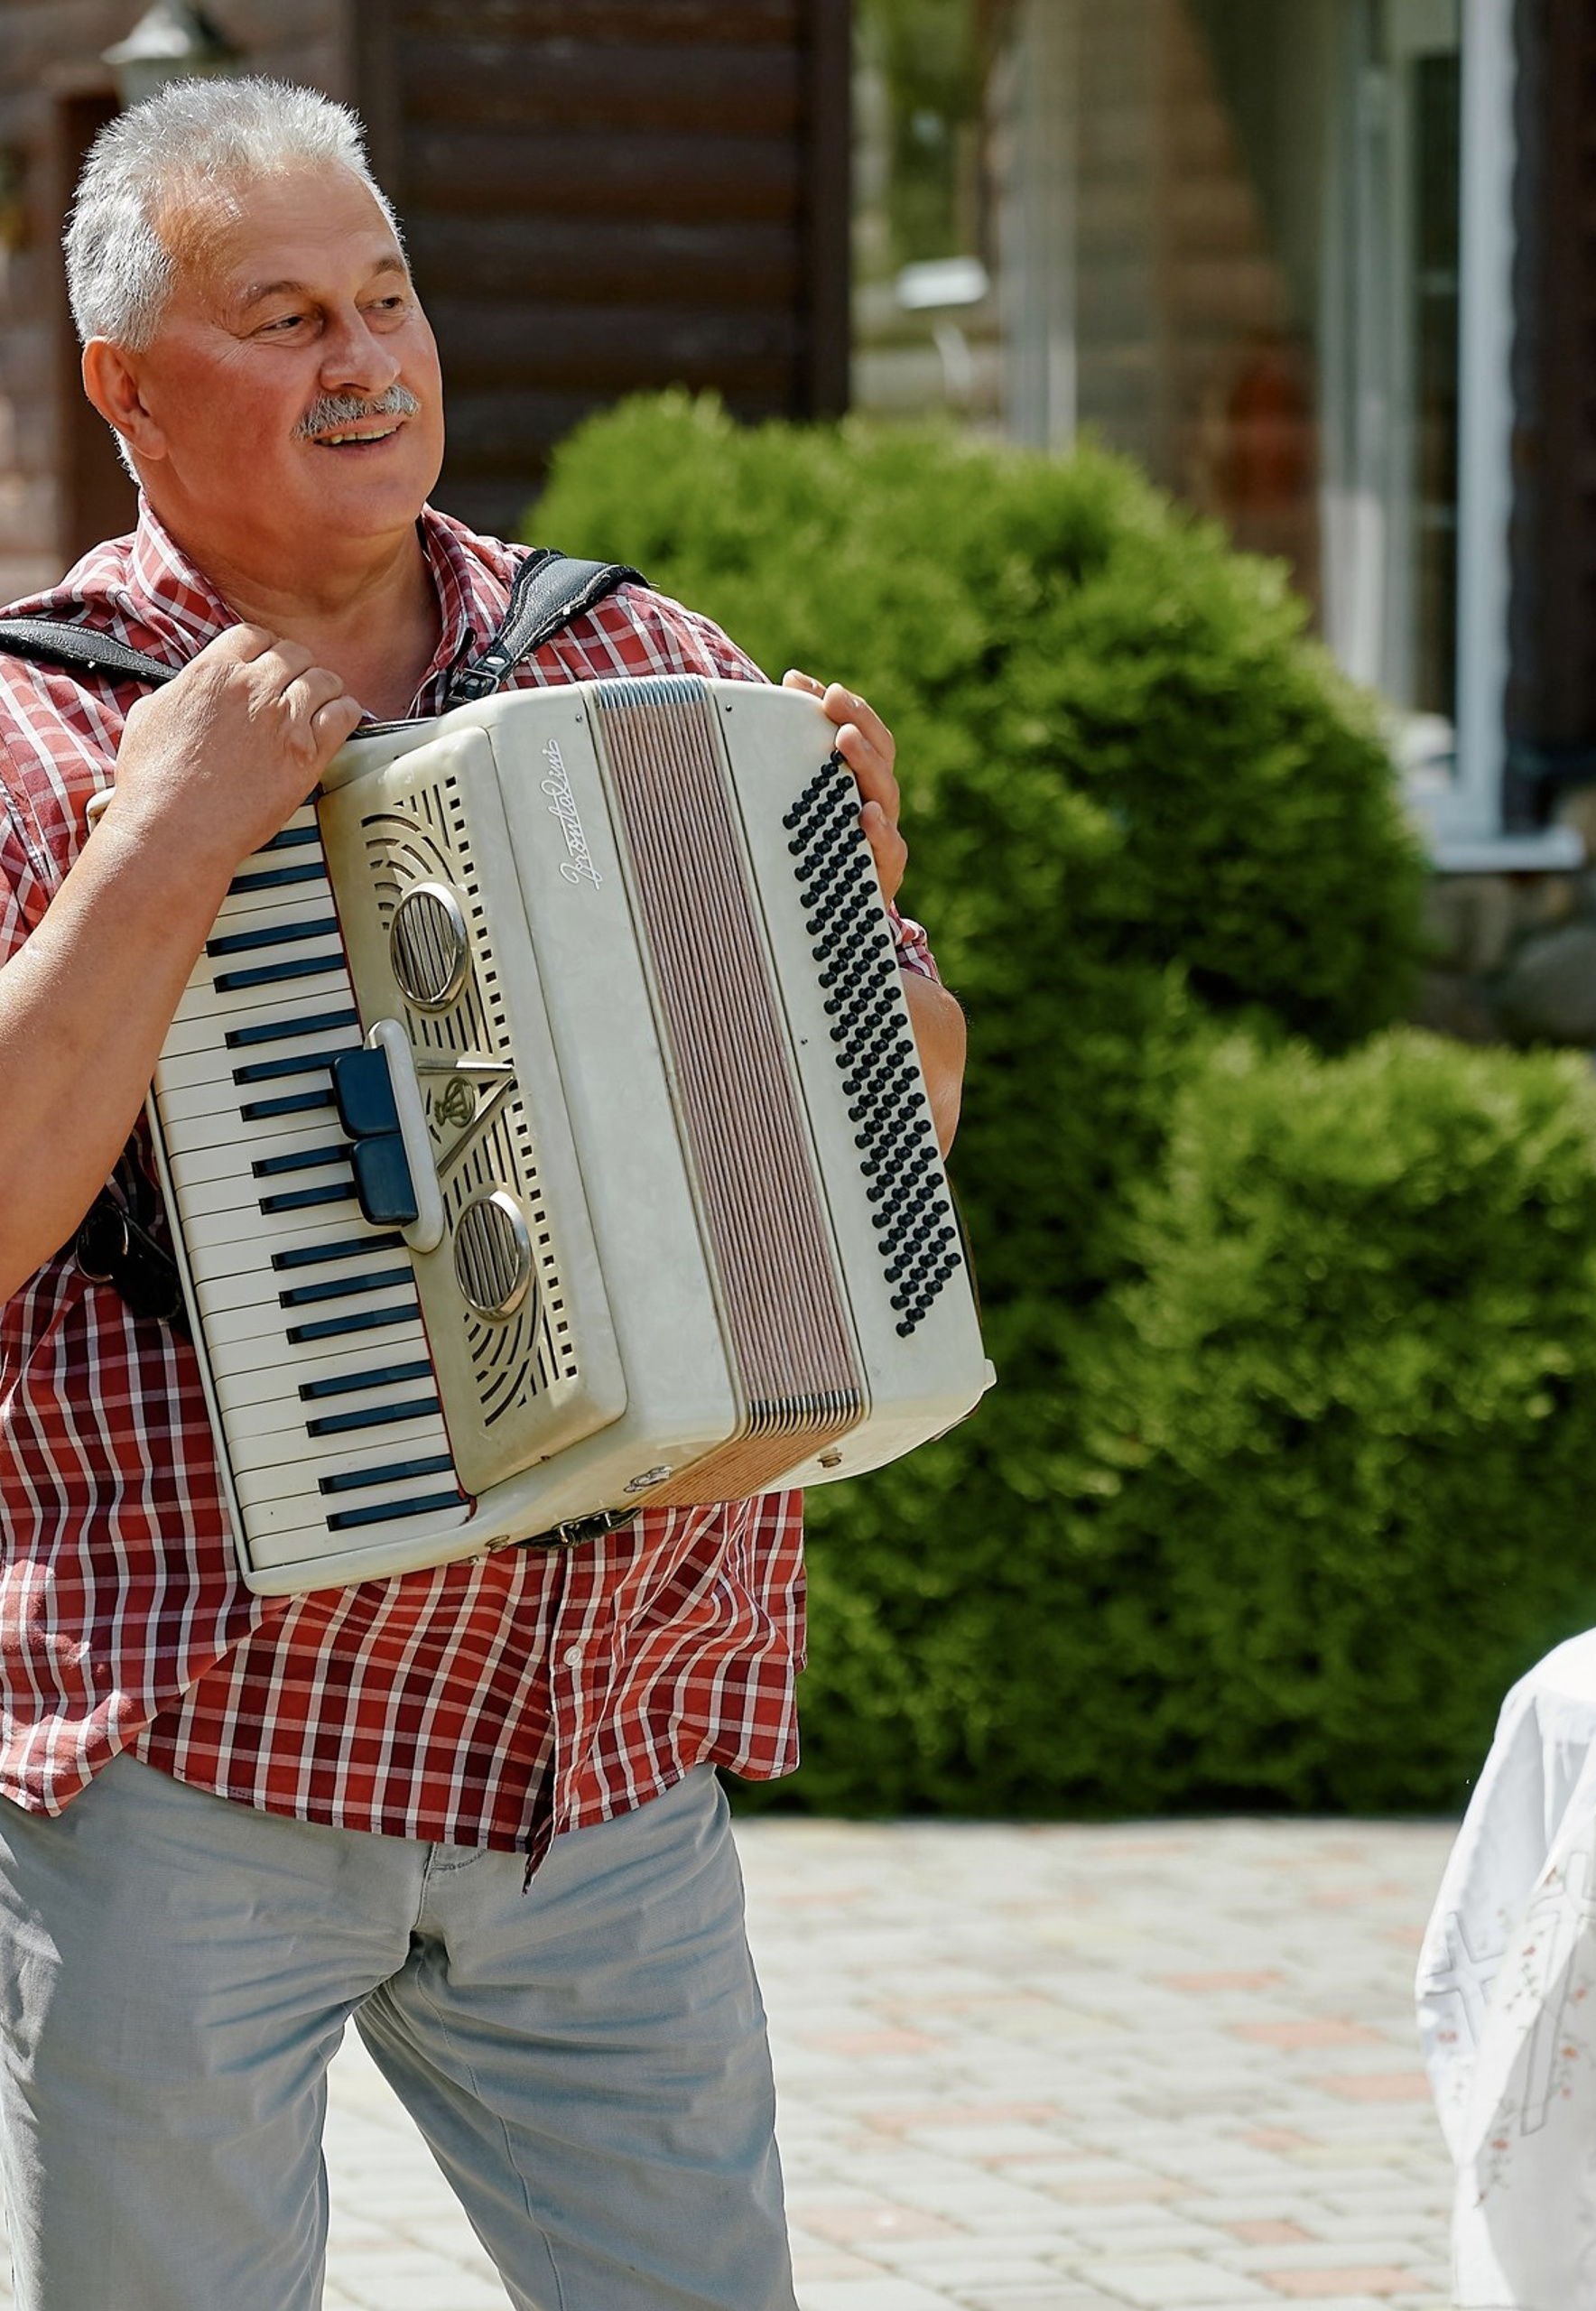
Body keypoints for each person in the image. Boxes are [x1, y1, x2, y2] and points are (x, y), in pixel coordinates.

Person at [0, 76, 966, 2311]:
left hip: (593, 1752)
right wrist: (168, 839)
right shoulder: (37, 728)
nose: (363, 359)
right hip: (196, 1751)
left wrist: (848, 947)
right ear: (126, 391)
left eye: (386, 297)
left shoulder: (634, 656)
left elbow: (892, 1142)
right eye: (283, 319)